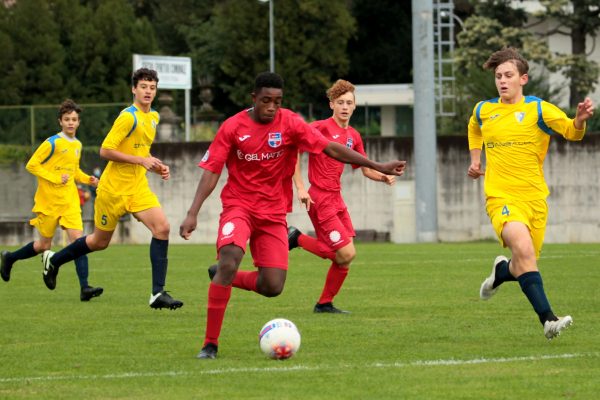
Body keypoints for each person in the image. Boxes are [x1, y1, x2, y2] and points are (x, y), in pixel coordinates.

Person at [179, 72, 406, 359]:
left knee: (272, 286)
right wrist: (192, 213)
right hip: (239, 207)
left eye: (277, 101)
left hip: (274, 213)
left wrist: (379, 165)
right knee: (230, 256)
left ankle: (225, 276)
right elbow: (211, 171)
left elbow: (332, 149)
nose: (271, 107)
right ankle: (210, 344)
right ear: (254, 98)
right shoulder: (232, 127)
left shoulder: (291, 123)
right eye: (265, 101)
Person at [467, 47, 595, 339]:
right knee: (523, 251)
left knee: (524, 262)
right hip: (501, 197)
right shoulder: (484, 109)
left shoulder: (539, 109)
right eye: (498, 76)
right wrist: (475, 160)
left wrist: (580, 119)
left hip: (535, 199)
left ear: (523, 79)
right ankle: (548, 319)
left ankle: (501, 273)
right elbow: (475, 128)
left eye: (508, 75)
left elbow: (571, 133)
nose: (502, 80)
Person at [40, 68, 183, 310]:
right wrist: (141, 161)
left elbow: (141, 151)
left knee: (162, 228)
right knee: (98, 242)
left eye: (152, 87)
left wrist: (155, 165)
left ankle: (157, 293)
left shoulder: (154, 117)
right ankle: (54, 260)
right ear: (134, 89)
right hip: (112, 190)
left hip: (138, 187)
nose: (148, 91)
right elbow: (105, 150)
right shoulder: (128, 117)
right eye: (143, 87)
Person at [288, 79, 396, 314]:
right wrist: (301, 187)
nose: (345, 107)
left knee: (344, 258)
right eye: (340, 102)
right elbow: (294, 152)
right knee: (346, 252)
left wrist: (383, 177)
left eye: (349, 102)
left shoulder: (354, 136)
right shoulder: (319, 128)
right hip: (319, 197)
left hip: (337, 199)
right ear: (331, 105)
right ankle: (297, 239)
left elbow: (366, 169)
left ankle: (324, 303)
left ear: (355, 106)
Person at [0, 99, 103, 301]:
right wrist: (55, 178)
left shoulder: (78, 145)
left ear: (79, 122)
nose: (71, 123)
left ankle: (85, 288)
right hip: (48, 202)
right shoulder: (52, 142)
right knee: (43, 246)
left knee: (79, 242)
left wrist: (88, 179)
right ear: (60, 122)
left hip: (70, 200)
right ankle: (9, 258)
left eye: (74, 119)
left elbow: (73, 172)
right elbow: (32, 165)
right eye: (67, 119)